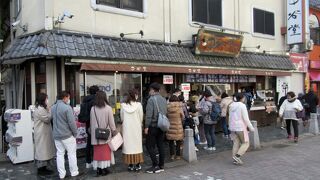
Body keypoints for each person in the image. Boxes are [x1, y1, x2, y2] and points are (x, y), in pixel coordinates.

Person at [51, 91, 79, 179]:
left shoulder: (53, 107)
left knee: (59, 154)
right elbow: (72, 123)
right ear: (65, 97)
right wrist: (75, 133)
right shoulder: (67, 108)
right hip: (67, 135)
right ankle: (74, 172)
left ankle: (61, 174)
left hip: (56, 135)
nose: (69, 99)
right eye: (68, 98)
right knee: (71, 154)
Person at [90, 91, 117, 176]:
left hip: (96, 135)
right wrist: (114, 131)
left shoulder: (93, 108)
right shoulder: (108, 108)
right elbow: (111, 123)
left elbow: (92, 122)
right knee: (105, 153)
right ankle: (104, 169)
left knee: (97, 153)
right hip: (105, 135)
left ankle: (98, 170)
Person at [145, 82, 167, 174]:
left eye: (150, 90)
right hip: (162, 125)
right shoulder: (163, 99)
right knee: (160, 145)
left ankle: (155, 165)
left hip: (153, 126)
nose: (149, 91)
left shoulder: (151, 100)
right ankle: (161, 165)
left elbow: (149, 115)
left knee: (149, 146)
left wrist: (146, 126)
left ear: (153, 90)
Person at [120, 89, 144, 172]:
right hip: (136, 128)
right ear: (135, 95)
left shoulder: (123, 105)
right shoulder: (139, 105)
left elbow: (122, 118)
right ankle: (137, 164)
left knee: (128, 145)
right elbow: (141, 117)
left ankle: (130, 165)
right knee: (136, 146)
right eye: (137, 94)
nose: (138, 96)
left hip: (127, 128)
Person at [228, 93, 255, 165]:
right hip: (240, 127)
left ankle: (235, 159)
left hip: (232, 127)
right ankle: (237, 156)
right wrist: (251, 127)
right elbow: (246, 119)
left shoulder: (231, 105)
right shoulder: (242, 106)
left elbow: (229, 117)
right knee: (245, 143)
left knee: (236, 143)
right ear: (242, 98)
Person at [33, 93, 55, 175]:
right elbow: (47, 119)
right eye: (46, 99)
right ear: (43, 100)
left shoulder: (41, 108)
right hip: (42, 134)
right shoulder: (40, 109)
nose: (47, 100)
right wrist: (50, 111)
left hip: (43, 133)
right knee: (42, 151)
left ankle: (44, 167)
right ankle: (41, 169)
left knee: (44, 150)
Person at [78, 85, 99, 169]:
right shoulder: (96, 100)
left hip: (88, 124)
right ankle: (95, 161)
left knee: (89, 143)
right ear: (97, 92)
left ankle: (88, 162)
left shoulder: (85, 100)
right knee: (96, 144)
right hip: (95, 124)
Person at [167, 95, 184, 160]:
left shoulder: (167, 107)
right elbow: (183, 116)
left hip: (170, 126)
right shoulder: (179, 107)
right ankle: (178, 156)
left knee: (171, 142)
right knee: (178, 142)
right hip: (178, 126)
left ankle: (172, 155)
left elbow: (166, 116)